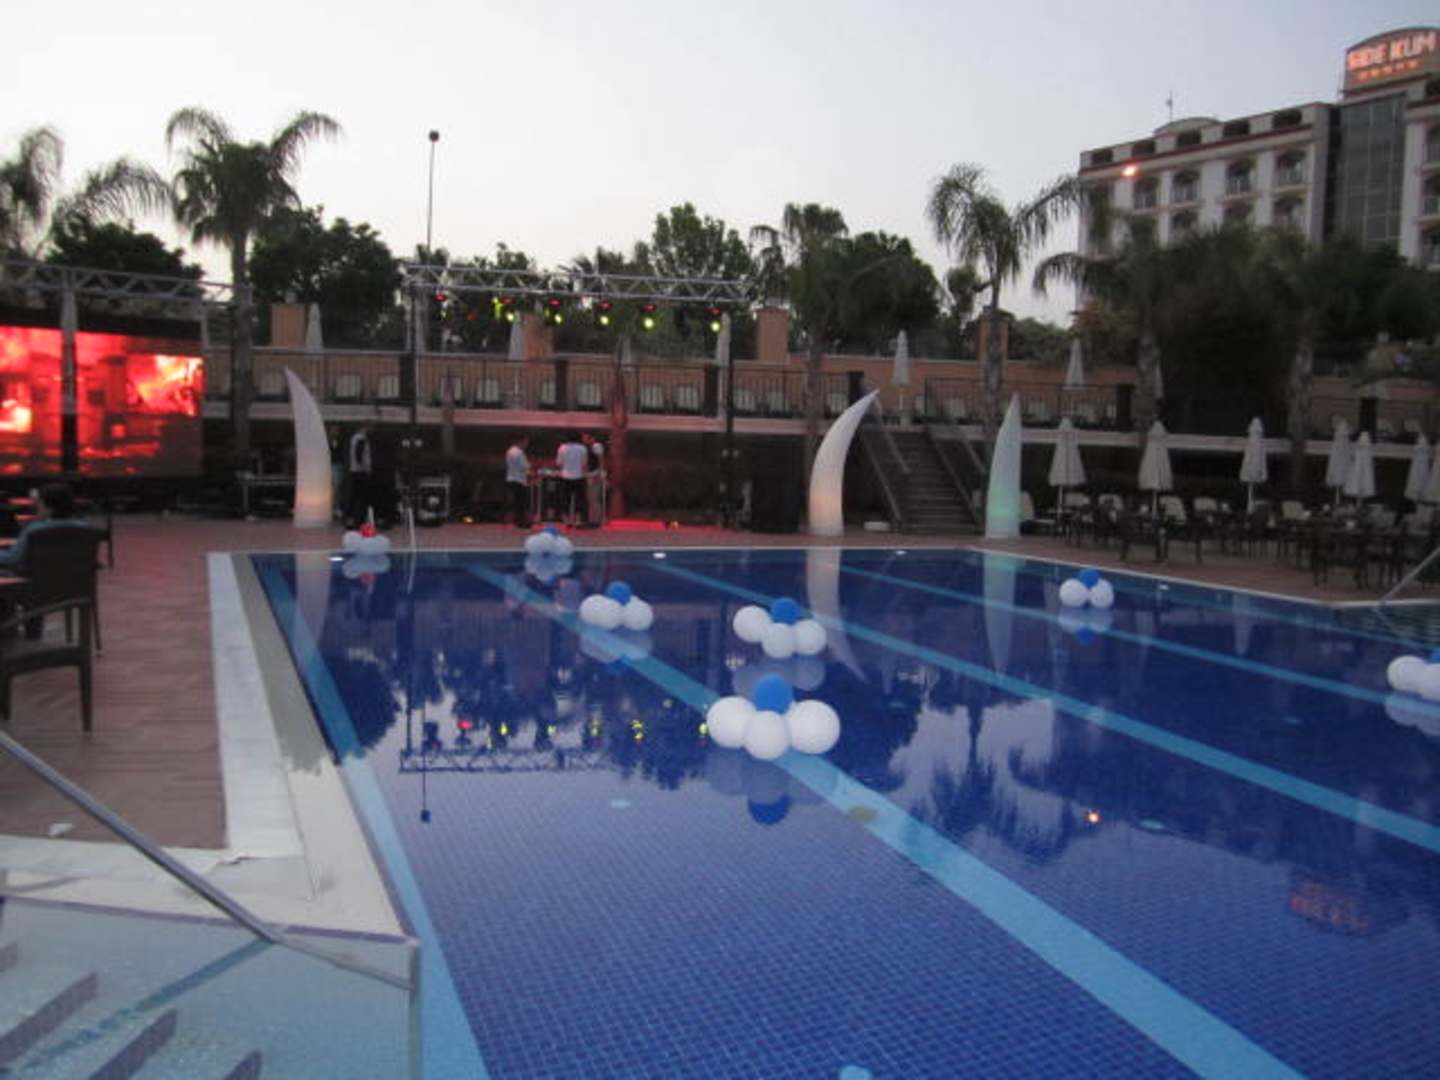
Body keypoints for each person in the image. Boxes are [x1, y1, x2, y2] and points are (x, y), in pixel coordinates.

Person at [0, 482, 91, 575]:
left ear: (48, 507)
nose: (38, 508)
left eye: (40, 504)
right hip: (75, 580)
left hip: (36, 580)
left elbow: (12, 558)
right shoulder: (87, 529)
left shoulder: (35, 530)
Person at [555, 432, 588, 528]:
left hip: (565, 476)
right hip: (579, 476)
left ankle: (567, 521)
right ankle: (577, 520)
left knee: (565, 499)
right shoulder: (582, 448)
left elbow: (559, 463)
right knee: (579, 500)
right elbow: (584, 464)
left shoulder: (562, 448)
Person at [346, 424, 374, 527]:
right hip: (361, 471)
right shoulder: (361, 438)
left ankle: (352, 518)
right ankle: (360, 519)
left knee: (354, 495)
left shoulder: (353, 438)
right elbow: (359, 454)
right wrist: (365, 467)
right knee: (361, 497)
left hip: (354, 470)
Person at [505, 434, 532, 529]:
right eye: (526, 442)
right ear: (521, 441)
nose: (526, 445)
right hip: (519, 480)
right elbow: (525, 466)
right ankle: (521, 522)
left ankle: (513, 521)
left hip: (510, 478)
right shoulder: (520, 453)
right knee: (522, 502)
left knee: (514, 502)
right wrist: (530, 471)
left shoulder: (509, 451)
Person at [581, 432, 606, 527]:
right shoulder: (587, 449)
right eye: (583, 439)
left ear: (592, 438)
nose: (584, 441)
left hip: (595, 474)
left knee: (594, 498)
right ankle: (592, 519)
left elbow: (600, 460)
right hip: (590, 475)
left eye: (586, 438)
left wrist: (599, 473)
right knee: (590, 498)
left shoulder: (596, 446)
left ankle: (597, 520)